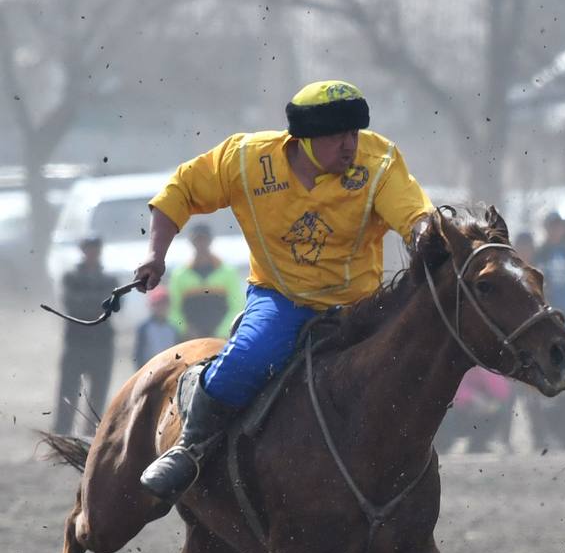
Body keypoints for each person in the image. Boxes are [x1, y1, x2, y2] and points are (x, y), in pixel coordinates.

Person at [133, 80, 434, 502]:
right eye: (336, 136)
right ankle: (192, 447)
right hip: (282, 299)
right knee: (247, 360)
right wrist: (155, 255)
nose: (350, 146)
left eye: (354, 134)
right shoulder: (245, 159)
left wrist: (426, 235)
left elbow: (415, 214)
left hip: (360, 307)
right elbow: (178, 193)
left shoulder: (378, 161)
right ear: (303, 140)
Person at [53, 233, 117, 436]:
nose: (92, 254)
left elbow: (114, 305)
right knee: (68, 391)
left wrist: (89, 302)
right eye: (89, 249)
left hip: (101, 344)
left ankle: (91, 435)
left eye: (95, 250)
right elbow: (72, 304)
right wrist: (98, 303)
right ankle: (62, 434)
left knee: (98, 394)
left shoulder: (109, 278)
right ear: (83, 251)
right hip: (76, 342)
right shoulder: (71, 277)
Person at [167, 222, 244, 338]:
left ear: (210, 241)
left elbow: (237, 306)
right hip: (190, 339)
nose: (201, 244)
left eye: (204, 239)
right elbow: (173, 309)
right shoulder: (180, 274)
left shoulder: (228, 272)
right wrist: (186, 329)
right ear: (191, 242)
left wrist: (222, 332)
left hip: (222, 338)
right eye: (197, 240)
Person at [533, 211, 565, 330]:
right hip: (549, 311)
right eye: (552, 227)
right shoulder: (540, 253)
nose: (556, 230)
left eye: (558, 227)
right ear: (546, 229)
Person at [133, 285, 182, 367]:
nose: (161, 308)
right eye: (158, 304)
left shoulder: (173, 329)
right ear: (152, 306)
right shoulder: (144, 328)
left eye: (164, 304)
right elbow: (138, 354)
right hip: (149, 370)